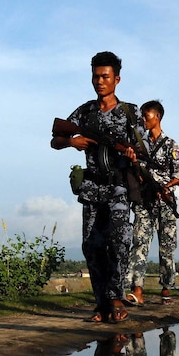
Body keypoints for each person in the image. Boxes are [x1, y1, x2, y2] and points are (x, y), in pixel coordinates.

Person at [51, 51, 142, 323]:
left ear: (117, 79)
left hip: (118, 189)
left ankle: (116, 298)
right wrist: (71, 142)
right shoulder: (85, 111)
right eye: (96, 76)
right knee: (91, 246)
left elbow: (141, 148)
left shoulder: (130, 112)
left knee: (119, 242)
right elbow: (55, 139)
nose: (100, 81)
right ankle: (102, 304)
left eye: (105, 76)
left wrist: (132, 155)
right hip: (92, 187)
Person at [125, 100, 179, 306]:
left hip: (166, 203)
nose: (143, 119)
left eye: (147, 115)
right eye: (142, 115)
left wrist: (165, 188)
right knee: (139, 243)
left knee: (166, 248)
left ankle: (166, 287)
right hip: (144, 201)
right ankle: (137, 290)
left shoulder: (171, 144)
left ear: (157, 116)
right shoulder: (139, 144)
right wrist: (133, 161)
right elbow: (134, 170)